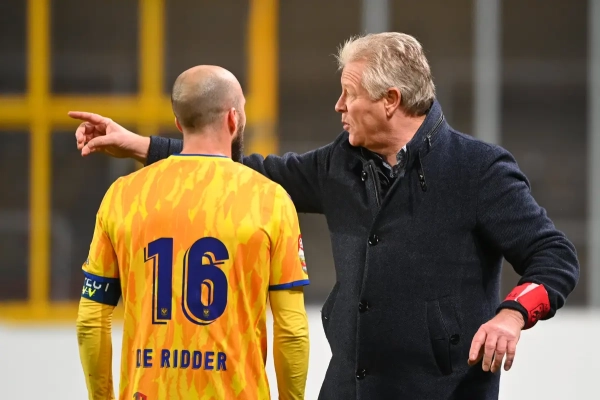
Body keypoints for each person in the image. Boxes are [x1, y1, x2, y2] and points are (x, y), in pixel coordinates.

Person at [72, 33, 580, 400]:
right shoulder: (343, 162)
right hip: (345, 390)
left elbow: (555, 257)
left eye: (349, 94)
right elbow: (249, 172)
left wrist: (512, 314)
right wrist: (143, 146)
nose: (338, 105)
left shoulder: (478, 169)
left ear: (390, 101)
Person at [74, 65, 310, 400]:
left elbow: (91, 320)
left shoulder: (123, 195)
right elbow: (291, 330)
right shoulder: (270, 200)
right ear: (233, 119)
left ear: (178, 123)